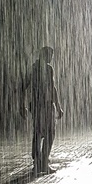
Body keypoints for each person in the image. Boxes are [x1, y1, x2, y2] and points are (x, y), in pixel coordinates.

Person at [25, 46, 63, 175]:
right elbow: (52, 89)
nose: (51, 58)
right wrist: (57, 106)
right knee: (47, 133)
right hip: (43, 105)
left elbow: (52, 88)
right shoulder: (43, 69)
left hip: (40, 105)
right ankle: (41, 162)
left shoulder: (36, 68)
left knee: (41, 133)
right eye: (50, 55)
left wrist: (57, 106)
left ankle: (39, 162)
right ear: (44, 55)